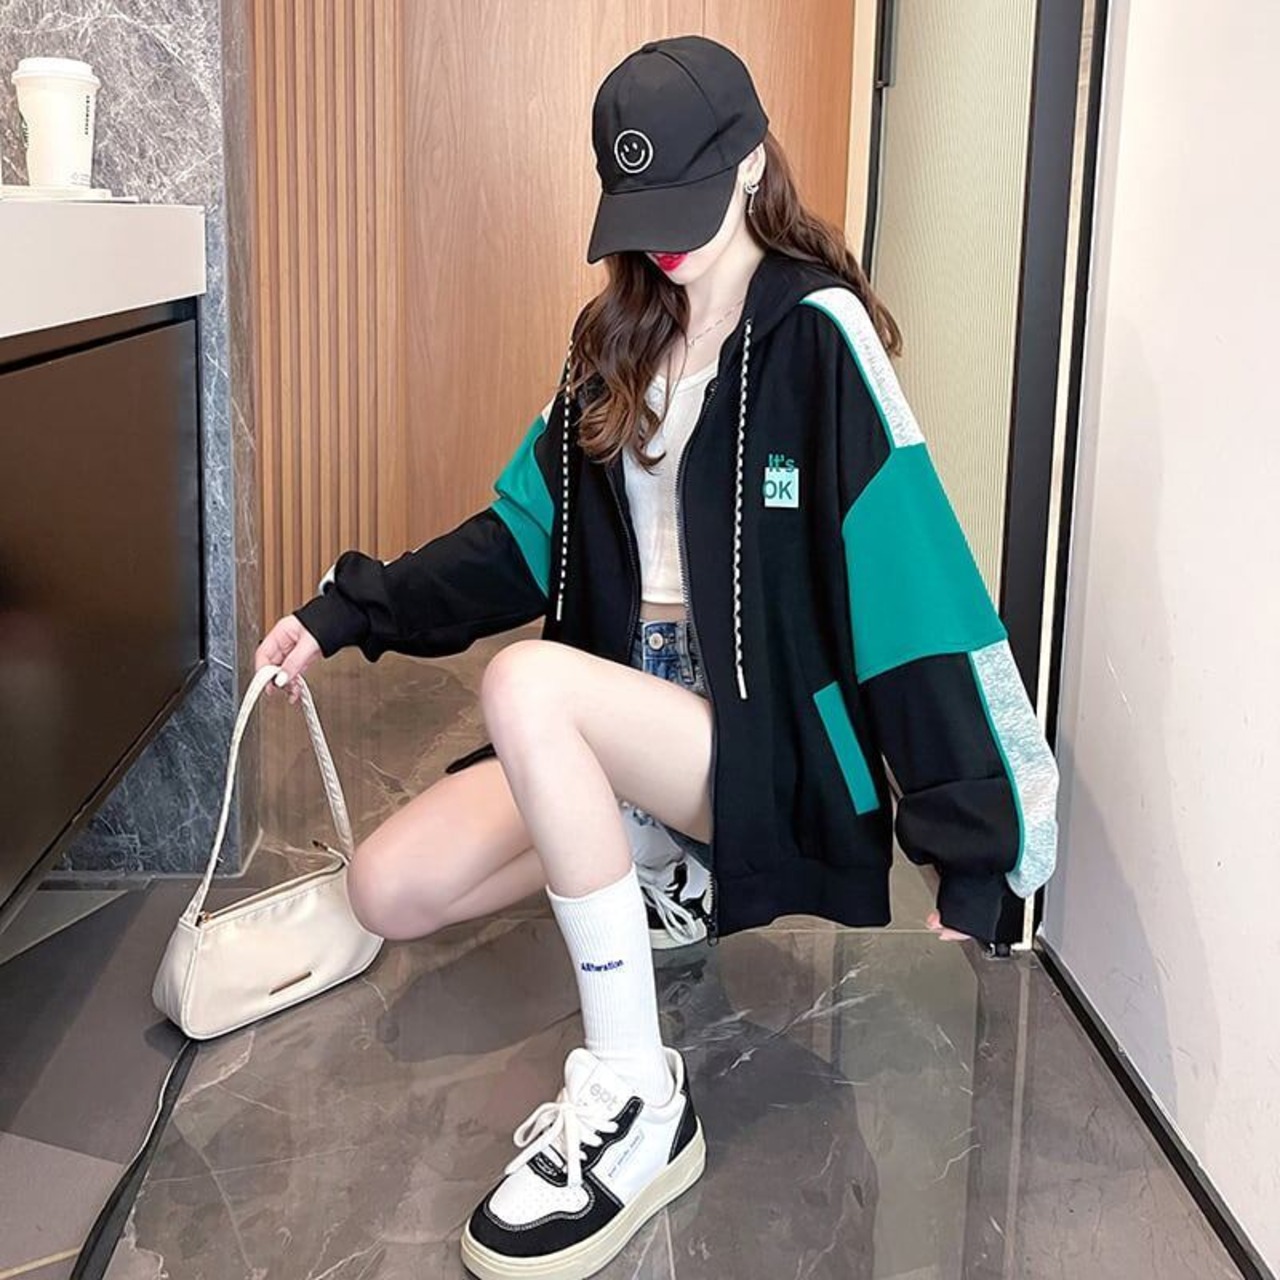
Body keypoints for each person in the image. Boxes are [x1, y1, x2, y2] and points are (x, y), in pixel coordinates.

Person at [254, 33, 1059, 1280]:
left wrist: (977, 839)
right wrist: (348, 610)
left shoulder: (815, 335)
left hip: (756, 750)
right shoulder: (611, 342)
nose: (663, 242)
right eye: (639, 210)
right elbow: (514, 541)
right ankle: (660, 870)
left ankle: (635, 1093)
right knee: (387, 890)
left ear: (749, 163)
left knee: (526, 682)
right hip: (619, 728)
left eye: (685, 200)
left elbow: (912, 584)